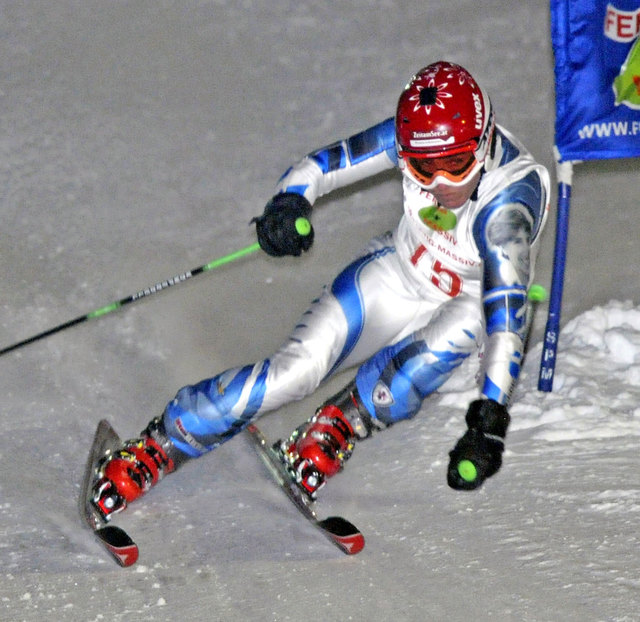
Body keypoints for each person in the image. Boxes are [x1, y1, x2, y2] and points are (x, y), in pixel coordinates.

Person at [91, 61, 550, 521]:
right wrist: (289, 203)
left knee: (406, 380)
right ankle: (161, 442)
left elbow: (506, 317)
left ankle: (340, 426)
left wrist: (489, 419)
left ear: (485, 142)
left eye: (455, 165)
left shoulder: (507, 206)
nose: (439, 185)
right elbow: (325, 165)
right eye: (423, 167)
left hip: (469, 301)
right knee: (295, 371)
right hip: (400, 273)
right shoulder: (415, 139)